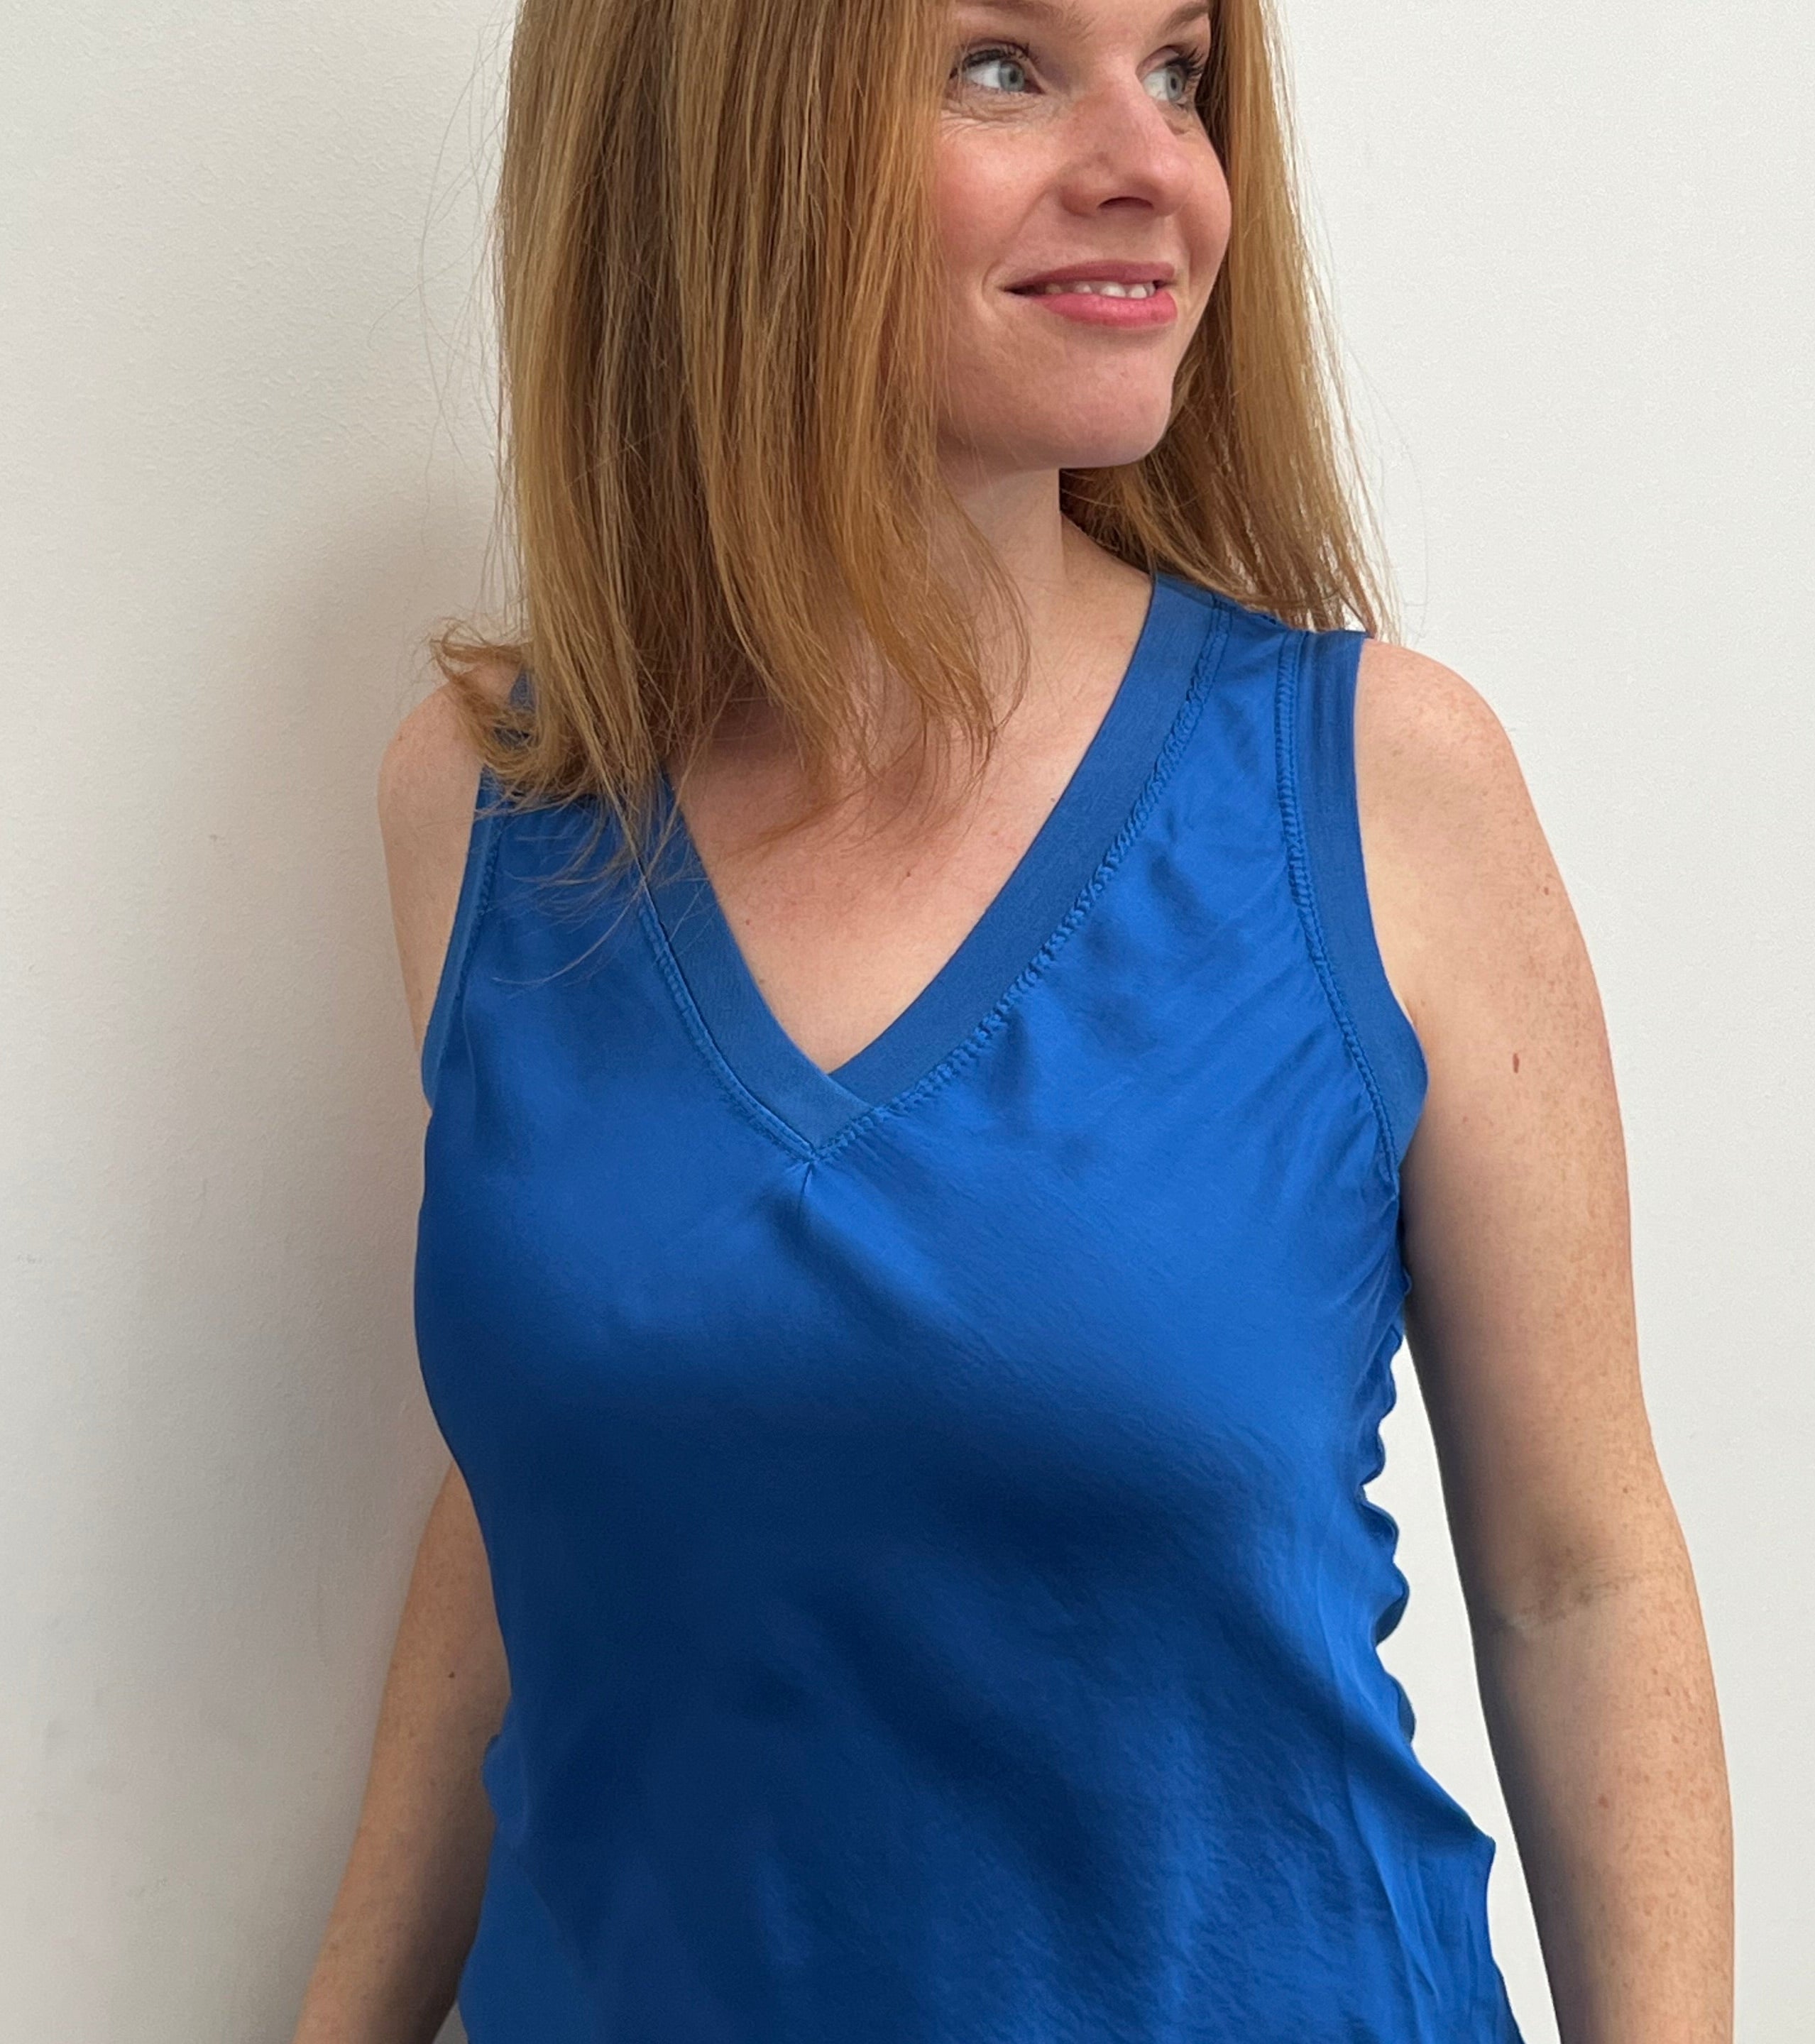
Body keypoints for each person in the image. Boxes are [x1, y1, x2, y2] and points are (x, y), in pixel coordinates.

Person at [293, 0, 1733, 2037]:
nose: (1155, 165)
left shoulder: (1380, 790)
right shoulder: (485, 810)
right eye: (1003, 65)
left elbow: (1578, 1572)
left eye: (1178, 69)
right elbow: (558, 1486)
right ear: (719, 142)